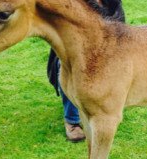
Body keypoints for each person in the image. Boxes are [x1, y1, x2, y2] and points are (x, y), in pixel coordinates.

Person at [47, 0, 126, 142]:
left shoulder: (112, 3)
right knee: (66, 67)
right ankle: (72, 122)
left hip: (104, 50)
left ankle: (106, 106)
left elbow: (119, 29)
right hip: (75, 51)